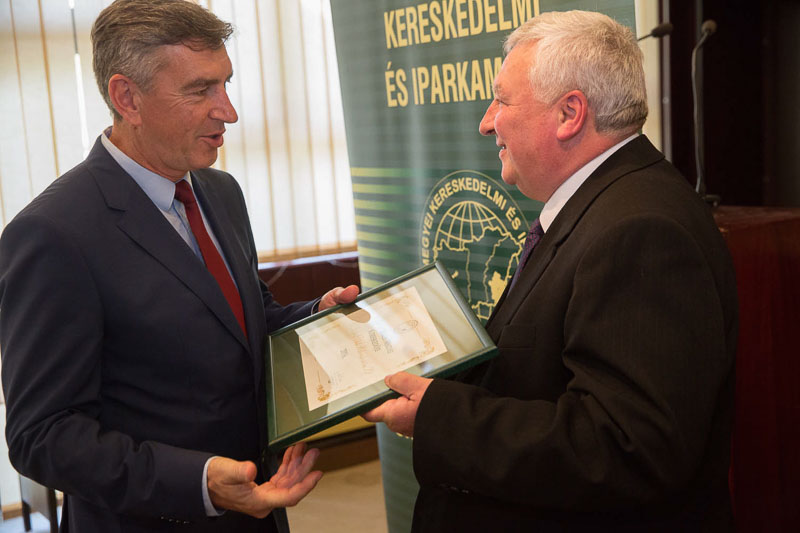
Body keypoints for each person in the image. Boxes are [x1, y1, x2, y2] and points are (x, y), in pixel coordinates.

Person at [364, 10, 738, 532]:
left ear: (569, 113)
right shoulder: (606, 204)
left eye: (502, 100)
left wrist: (439, 416)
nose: (487, 121)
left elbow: (624, 445)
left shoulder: (641, 230)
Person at [0, 1, 358, 531]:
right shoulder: (53, 234)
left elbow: (242, 322)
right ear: (127, 98)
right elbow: (43, 436)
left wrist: (316, 316)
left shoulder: (221, 191)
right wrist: (199, 482)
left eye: (226, 84)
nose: (228, 111)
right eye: (200, 90)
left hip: (258, 509)